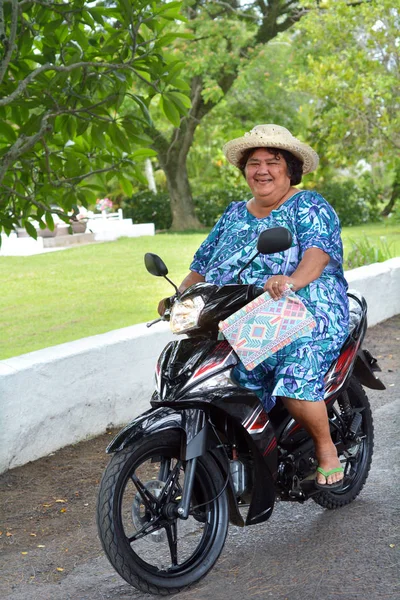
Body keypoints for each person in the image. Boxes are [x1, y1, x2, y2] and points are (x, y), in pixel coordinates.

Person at [159, 124, 349, 488]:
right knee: (215, 378)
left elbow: (317, 254)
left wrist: (292, 280)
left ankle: (326, 450)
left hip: (306, 304)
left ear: (289, 168)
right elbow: (201, 266)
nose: (262, 170)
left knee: (294, 376)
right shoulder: (233, 214)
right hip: (238, 311)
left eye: (272, 162)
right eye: (254, 163)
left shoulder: (308, 205)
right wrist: (179, 298)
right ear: (244, 170)